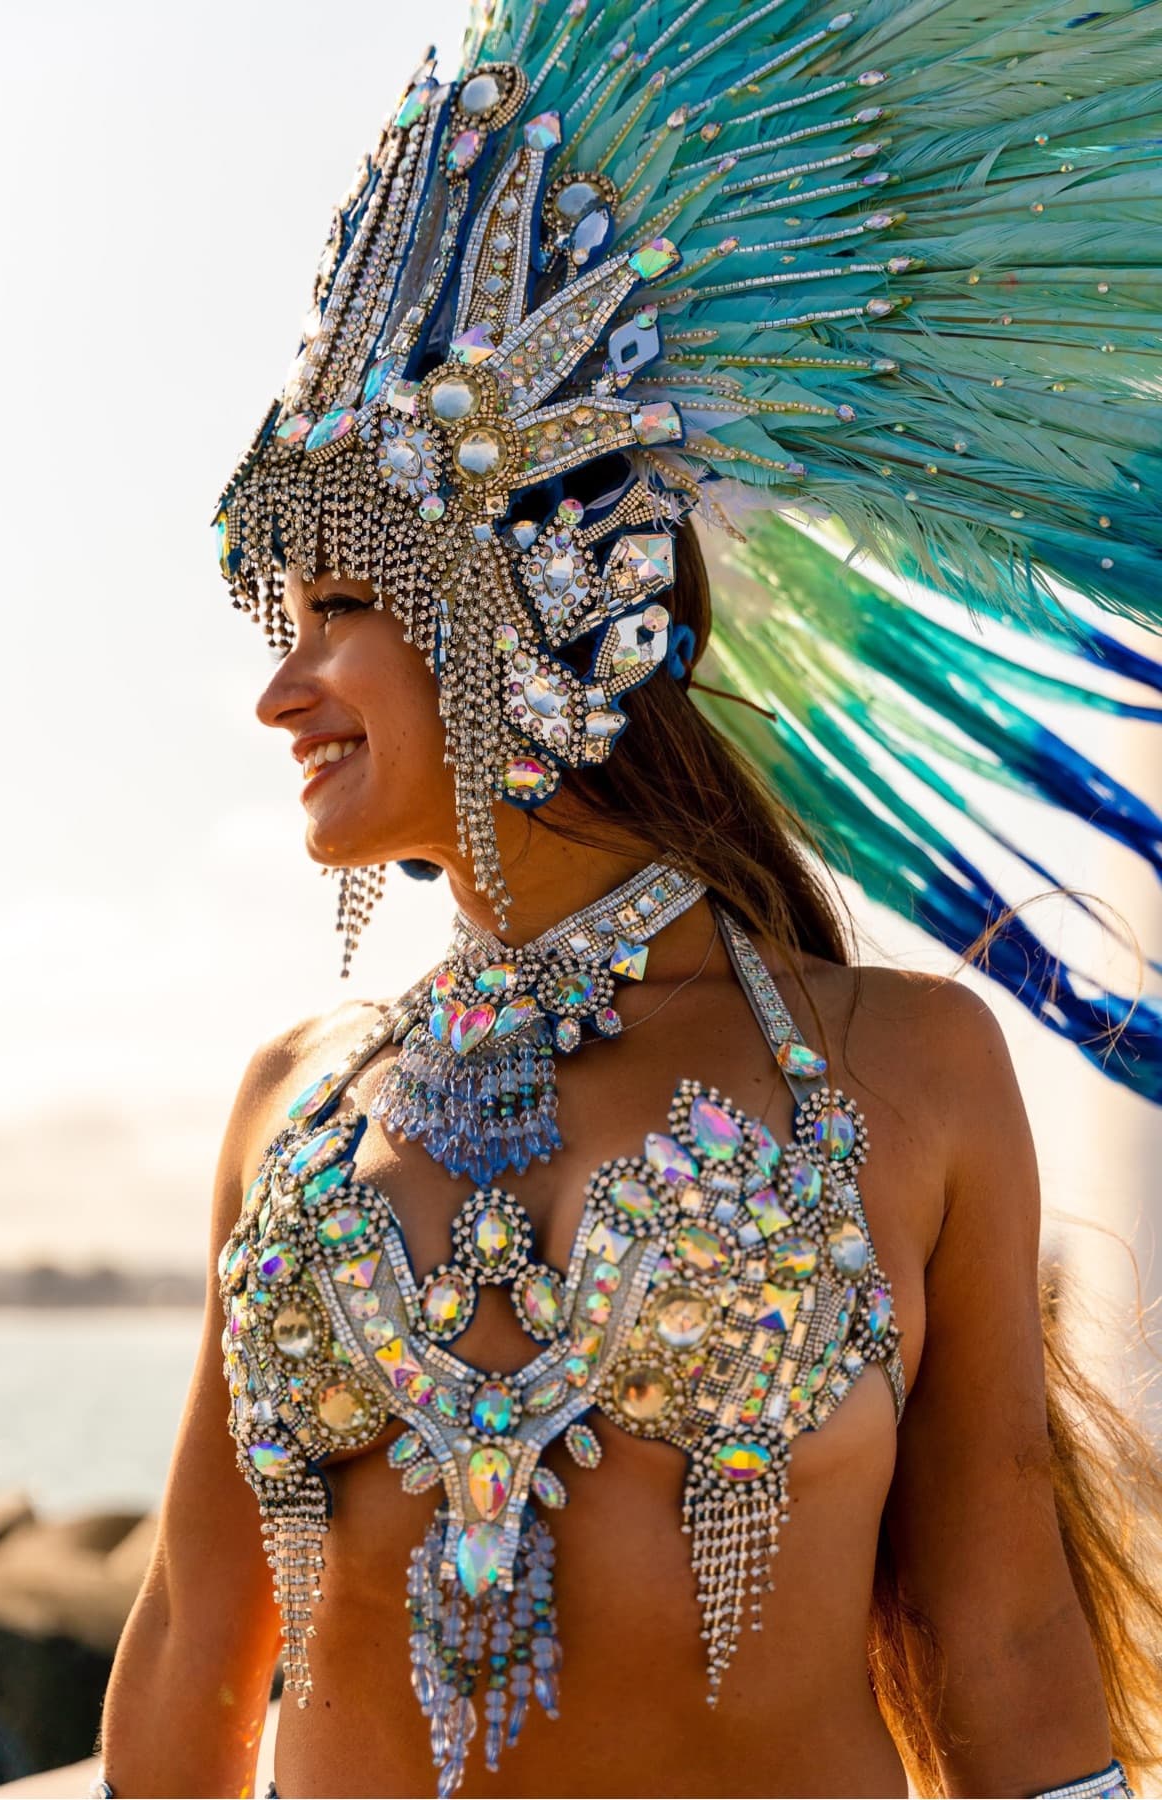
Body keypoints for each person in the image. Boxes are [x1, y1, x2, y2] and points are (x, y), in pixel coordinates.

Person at [93, 1, 1162, 1794]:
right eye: (277, 628)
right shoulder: (288, 1104)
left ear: (529, 606)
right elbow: (201, 1655)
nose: (281, 693)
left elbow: (1004, 1645)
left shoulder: (905, 1072)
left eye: (343, 608)